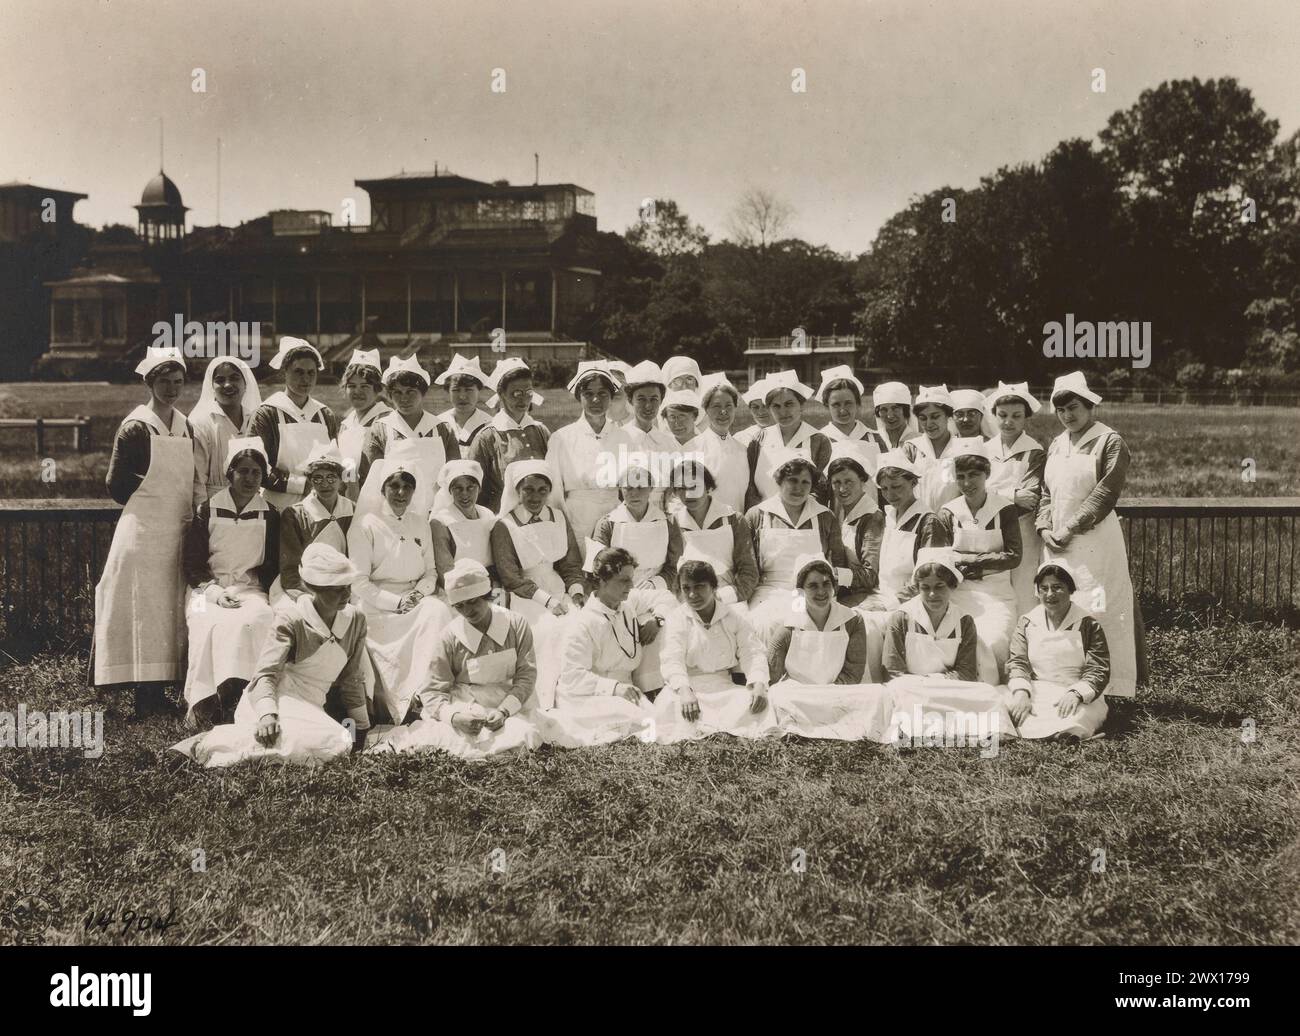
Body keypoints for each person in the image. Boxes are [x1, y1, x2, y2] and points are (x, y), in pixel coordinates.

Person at [170, 544, 370, 767]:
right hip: (275, 702)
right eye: (337, 589)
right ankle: (204, 744)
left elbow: (352, 677)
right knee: (333, 743)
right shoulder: (291, 620)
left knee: (339, 743)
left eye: (348, 586)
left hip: (311, 707)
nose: (347, 595)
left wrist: (362, 727)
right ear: (314, 589)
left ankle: (232, 742)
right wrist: (267, 715)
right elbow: (265, 674)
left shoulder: (356, 620)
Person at [94, 346, 194, 715]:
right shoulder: (136, 426)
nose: (171, 389)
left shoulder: (186, 425)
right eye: (164, 382)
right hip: (142, 533)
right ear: (149, 383)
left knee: (170, 611)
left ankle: (163, 691)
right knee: (143, 610)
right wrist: (153, 493)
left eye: (178, 382)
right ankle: (143, 696)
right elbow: (116, 485)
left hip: (177, 531)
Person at [369, 559, 544, 759]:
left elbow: (526, 675)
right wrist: (455, 718)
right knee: (451, 740)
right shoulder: (449, 637)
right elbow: (432, 690)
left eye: (473, 602)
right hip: (468, 703)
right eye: (460, 606)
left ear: (487, 596)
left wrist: (504, 710)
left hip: (512, 701)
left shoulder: (515, 624)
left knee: (525, 734)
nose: (468, 611)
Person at [1036, 371, 1141, 698]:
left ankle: (1110, 688)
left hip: (1094, 541)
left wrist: (1070, 527)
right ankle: (1064, 683)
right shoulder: (1056, 444)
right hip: (1056, 542)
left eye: (1074, 408)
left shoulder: (1110, 441)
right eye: (1062, 410)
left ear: (1089, 406)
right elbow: (1046, 492)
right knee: (1060, 606)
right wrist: (1044, 527)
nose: (1068, 415)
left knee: (1098, 607)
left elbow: (1105, 493)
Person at [181, 436, 279, 724]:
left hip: (251, 590)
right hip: (204, 591)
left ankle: (246, 695)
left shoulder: (270, 514)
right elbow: (192, 564)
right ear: (230, 474)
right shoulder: (207, 510)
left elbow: (271, 566)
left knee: (258, 619)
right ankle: (207, 701)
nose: (249, 478)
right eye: (243, 471)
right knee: (209, 623)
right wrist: (214, 593)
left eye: (256, 473)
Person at [347, 459, 452, 725]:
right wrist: (395, 603)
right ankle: (396, 704)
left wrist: (417, 595)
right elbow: (358, 581)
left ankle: (425, 694)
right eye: (394, 485)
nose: (401, 492)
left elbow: (430, 572)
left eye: (408, 486)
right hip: (376, 601)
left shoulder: (420, 523)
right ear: (382, 489)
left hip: (415, 597)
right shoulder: (365, 525)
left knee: (437, 611)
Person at [882, 548, 1009, 740]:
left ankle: (929, 726)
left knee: (989, 694)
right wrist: (922, 684)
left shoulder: (964, 621)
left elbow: (966, 672)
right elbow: (893, 671)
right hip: (910, 688)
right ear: (917, 588)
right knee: (899, 694)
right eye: (925, 587)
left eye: (940, 586)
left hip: (948, 687)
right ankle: (945, 726)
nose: (932, 594)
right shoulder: (901, 617)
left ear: (952, 586)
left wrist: (934, 681)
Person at [489, 459, 587, 707]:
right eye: (528, 489)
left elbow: (570, 563)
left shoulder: (558, 517)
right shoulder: (504, 526)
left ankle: (573, 693)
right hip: (525, 596)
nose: (535, 496)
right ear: (517, 491)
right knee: (547, 630)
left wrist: (575, 592)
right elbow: (511, 577)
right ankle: (545, 697)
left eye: (542, 490)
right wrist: (548, 601)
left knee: (579, 625)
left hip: (558, 588)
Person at [766, 556, 893, 741]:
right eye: (813, 585)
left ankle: (806, 725)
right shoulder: (787, 625)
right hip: (802, 694)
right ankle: (833, 723)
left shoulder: (852, 620)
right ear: (801, 591)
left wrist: (829, 692)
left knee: (878, 695)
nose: (821, 591)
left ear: (834, 587)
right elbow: (772, 675)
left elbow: (854, 672)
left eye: (826, 584)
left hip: (837, 692)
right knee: (777, 694)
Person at [653, 557, 776, 744]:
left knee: (752, 702)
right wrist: (685, 691)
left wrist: (758, 683)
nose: (693, 594)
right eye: (686, 588)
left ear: (713, 587)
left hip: (723, 687)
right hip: (687, 688)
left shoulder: (733, 617)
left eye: (699, 586)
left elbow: (752, 651)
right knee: (669, 706)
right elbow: (672, 660)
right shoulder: (676, 619)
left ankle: (716, 726)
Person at [544, 547, 658, 746]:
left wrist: (658, 620)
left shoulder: (627, 605)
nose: (631, 585)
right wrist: (614, 688)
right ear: (603, 581)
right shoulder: (582, 623)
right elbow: (572, 677)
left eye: (631, 579)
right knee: (642, 720)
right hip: (585, 696)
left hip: (625, 691)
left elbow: (664, 598)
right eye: (624, 580)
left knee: (654, 716)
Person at [935, 438, 1021, 683]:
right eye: (960, 476)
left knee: (994, 640)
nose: (967, 483)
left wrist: (970, 562)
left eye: (974, 475)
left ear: (987, 474)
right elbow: (943, 557)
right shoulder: (949, 512)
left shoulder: (1004, 509)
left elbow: (1014, 556)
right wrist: (973, 563)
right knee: (952, 643)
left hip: (997, 594)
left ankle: (992, 692)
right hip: (961, 592)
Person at [744, 457, 857, 628]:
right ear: (779, 481)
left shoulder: (824, 517)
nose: (799, 488)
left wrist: (828, 594)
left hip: (812, 592)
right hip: (769, 591)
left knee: (807, 624)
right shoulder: (757, 515)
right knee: (765, 624)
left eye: (806, 482)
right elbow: (748, 566)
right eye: (793, 481)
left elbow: (838, 563)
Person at [1007, 561, 1110, 740]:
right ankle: (1049, 733)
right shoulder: (1027, 622)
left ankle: (1061, 733)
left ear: (1070, 589)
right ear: (1037, 591)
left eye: (1057, 587)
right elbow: (1018, 661)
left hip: (1074, 692)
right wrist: (1022, 693)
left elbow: (1098, 669)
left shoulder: (1088, 624)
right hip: (1038, 690)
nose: (1050, 594)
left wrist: (1076, 694)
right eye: (1043, 588)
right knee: (1001, 700)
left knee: (1076, 716)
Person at [356, 354, 460, 521]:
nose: (404, 398)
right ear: (389, 395)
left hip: (435, 515)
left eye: (411, 392)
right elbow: (371, 480)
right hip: (392, 516)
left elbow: (454, 477)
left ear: (423, 392)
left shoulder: (442, 429)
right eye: (397, 392)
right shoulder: (380, 429)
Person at [546, 360, 636, 543]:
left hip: (615, 517)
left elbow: (631, 485)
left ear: (611, 397)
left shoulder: (624, 438)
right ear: (579, 396)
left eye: (603, 394)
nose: (596, 400)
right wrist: (562, 531)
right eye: (589, 394)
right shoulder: (561, 438)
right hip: (576, 520)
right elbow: (554, 492)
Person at [251, 337, 339, 511]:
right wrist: (301, 485)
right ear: (285, 372)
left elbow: (336, 461)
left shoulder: (325, 414)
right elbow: (256, 464)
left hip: (320, 505)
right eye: (298, 372)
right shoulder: (267, 413)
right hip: (278, 506)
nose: (305, 379)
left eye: (311, 373)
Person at [984, 381, 1046, 616]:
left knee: (1023, 590)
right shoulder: (984, 450)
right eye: (1002, 415)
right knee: (994, 592)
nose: (1008, 422)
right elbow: (975, 491)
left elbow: (1030, 498)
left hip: (1023, 531)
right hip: (991, 530)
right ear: (994, 416)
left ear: (1025, 418)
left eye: (1016, 416)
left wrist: (993, 493)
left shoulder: (1035, 452)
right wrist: (1012, 494)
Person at [666, 459, 759, 609]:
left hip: (729, 598)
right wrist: (686, 600)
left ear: (708, 487)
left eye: (695, 486)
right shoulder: (672, 524)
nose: (689, 494)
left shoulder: (733, 519)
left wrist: (722, 597)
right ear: (675, 492)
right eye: (681, 488)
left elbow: (749, 571)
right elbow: (671, 571)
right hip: (688, 601)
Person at [277, 441, 355, 602]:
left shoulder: (352, 510)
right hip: (305, 585)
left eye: (331, 477)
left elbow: (358, 559)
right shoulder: (294, 514)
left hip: (345, 584)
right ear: (310, 481)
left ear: (341, 480)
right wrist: (316, 595)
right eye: (317, 478)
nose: (325, 484)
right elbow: (290, 569)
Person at [470, 356, 550, 513]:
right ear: (501, 394)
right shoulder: (486, 438)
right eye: (516, 393)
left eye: (528, 392)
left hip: (540, 517)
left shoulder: (541, 431)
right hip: (502, 518)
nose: (523, 399)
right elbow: (474, 487)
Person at [744, 371, 832, 510]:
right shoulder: (759, 439)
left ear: (801, 404)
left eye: (789, 404)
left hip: (804, 521)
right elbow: (750, 486)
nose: (783, 412)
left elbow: (821, 489)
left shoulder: (818, 440)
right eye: (776, 406)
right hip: (765, 519)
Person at [190, 355, 261, 510]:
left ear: (245, 383)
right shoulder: (201, 422)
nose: (228, 385)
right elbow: (196, 479)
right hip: (214, 506)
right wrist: (203, 514)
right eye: (220, 380)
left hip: (252, 507)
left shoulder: (255, 419)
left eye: (235, 378)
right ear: (212, 386)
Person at [826, 448, 885, 613]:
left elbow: (871, 575)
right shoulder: (842, 514)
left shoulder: (873, 518)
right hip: (848, 592)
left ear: (862, 481)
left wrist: (834, 574)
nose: (842, 489)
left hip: (870, 596)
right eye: (837, 482)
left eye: (848, 482)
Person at [336, 348, 390, 499]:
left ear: (377, 389)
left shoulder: (387, 420)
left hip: (377, 499)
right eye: (352, 386)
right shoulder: (346, 423)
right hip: (347, 499)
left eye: (365, 386)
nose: (357, 391)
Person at [430, 459, 497, 579]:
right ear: (449, 491)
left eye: (470, 487)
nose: (465, 494)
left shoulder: (487, 515)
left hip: (490, 584)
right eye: (458, 488)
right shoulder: (441, 522)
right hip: (459, 588)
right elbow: (446, 571)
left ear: (480, 488)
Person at [904, 384, 963, 514]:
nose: (929, 424)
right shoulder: (912, 448)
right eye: (923, 418)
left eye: (935, 416)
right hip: (918, 522)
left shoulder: (961, 448)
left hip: (952, 522)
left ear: (948, 416)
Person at [695, 375, 749, 514]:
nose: (723, 412)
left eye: (728, 406)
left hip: (738, 527)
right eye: (716, 406)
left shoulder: (743, 449)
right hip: (707, 528)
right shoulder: (694, 447)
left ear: (735, 408)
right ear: (706, 410)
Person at [818, 365, 881, 476]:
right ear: (827, 406)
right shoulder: (817, 440)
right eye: (836, 405)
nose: (842, 410)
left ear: (857, 403)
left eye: (848, 403)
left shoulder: (875, 438)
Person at [434, 353, 494, 449]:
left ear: (479, 390)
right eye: (456, 390)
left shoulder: (490, 424)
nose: (462, 396)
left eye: (469, 390)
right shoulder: (438, 423)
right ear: (448, 391)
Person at [869, 381, 918, 452]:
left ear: (905, 410)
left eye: (895, 409)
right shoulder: (872, 441)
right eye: (884, 410)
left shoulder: (920, 441)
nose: (889, 416)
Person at [734, 377, 774, 447]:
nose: (761, 412)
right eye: (755, 407)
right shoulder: (740, 438)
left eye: (765, 406)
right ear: (750, 410)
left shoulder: (786, 434)